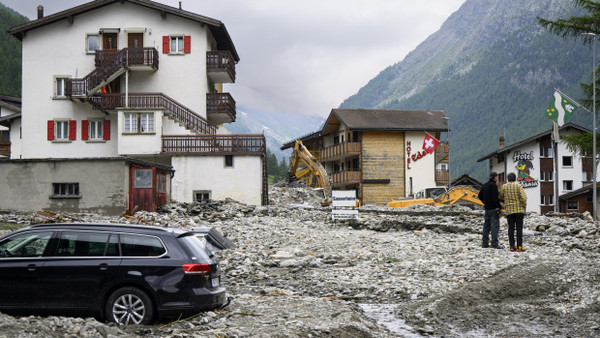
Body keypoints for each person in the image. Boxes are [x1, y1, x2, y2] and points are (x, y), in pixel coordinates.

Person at [499, 172, 527, 252]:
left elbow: (500, 196)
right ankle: (519, 247)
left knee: (510, 228)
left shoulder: (504, 186)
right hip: (519, 210)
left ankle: (512, 246)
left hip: (509, 211)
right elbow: (523, 197)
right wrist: (523, 205)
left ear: (508, 179)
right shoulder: (518, 186)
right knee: (519, 229)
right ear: (515, 178)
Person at [478, 172, 502, 248]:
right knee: (494, 227)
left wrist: (485, 202)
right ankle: (494, 243)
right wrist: (499, 207)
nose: (497, 178)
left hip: (487, 208)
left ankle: (484, 243)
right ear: (495, 177)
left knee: (486, 226)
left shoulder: (485, 185)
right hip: (493, 209)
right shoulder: (493, 185)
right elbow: (495, 198)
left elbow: (479, 195)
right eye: (497, 177)